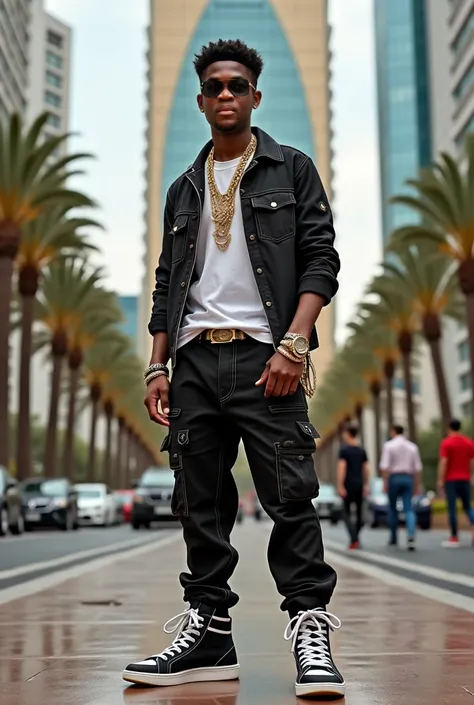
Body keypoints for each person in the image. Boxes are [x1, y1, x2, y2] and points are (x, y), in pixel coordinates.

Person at [122, 40, 344, 698]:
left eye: (237, 85)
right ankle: (210, 635)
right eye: (215, 86)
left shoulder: (292, 170)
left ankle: (310, 630)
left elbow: (320, 262)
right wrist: (156, 366)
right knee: (199, 505)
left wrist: (294, 346)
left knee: (290, 498)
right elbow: (167, 284)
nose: (225, 94)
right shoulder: (183, 188)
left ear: (254, 96)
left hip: (265, 358)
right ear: (200, 100)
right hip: (192, 361)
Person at [379, 425, 422, 551]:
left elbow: (384, 467)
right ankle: (411, 535)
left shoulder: (389, 446)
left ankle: (393, 538)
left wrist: (385, 483)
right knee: (408, 508)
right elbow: (418, 468)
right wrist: (417, 485)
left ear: (393, 432)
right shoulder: (412, 447)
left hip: (394, 478)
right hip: (408, 478)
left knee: (393, 508)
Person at [438, 419, 474, 548]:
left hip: (451, 480)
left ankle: (454, 537)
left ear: (449, 428)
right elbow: (471, 461)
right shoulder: (469, 442)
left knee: (452, 508)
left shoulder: (446, 443)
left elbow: (444, 462)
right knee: (467, 507)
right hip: (465, 478)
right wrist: (470, 476)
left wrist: (440, 479)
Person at [337, 425, 369, 549]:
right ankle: (355, 538)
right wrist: (366, 484)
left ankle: (354, 538)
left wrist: (340, 486)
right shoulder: (361, 450)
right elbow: (366, 469)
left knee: (346, 514)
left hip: (348, 485)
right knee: (360, 514)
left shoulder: (344, 450)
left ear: (348, 434)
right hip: (360, 484)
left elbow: (342, 468)